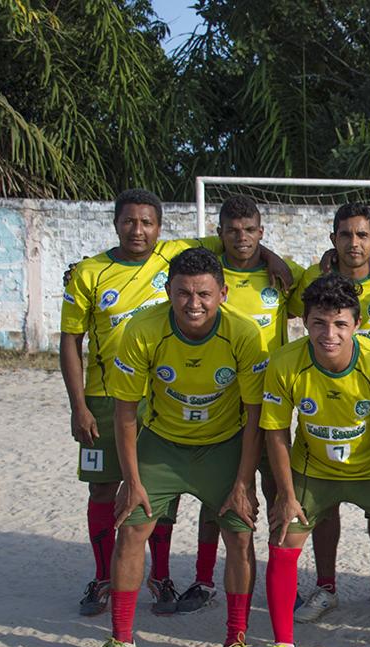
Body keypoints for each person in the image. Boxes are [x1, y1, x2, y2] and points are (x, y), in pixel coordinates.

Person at [89, 248, 266, 647]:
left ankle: (236, 640)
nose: (194, 304)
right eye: (183, 293)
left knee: (240, 537)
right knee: (132, 527)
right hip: (163, 443)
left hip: (222, 446)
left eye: (204, 293)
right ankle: (121, 639)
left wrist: (244, 482)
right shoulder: (142, 329)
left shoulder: (244, 334)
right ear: (168, 291)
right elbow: (126, 411)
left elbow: (256, 415)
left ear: (223, 293)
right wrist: (131, 479)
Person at [255, 273, 370, 647]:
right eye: (318, 323)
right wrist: (286, 495)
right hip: (314, 468)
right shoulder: (285, 362)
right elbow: (276, 431)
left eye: (340, 324)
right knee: (283, 536)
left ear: (357, 323)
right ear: (305, 322)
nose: (328, 334)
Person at [62, 190, 217, 618]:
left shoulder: (176, 257)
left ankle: (160, 575)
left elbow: (240, 243)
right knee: (103, 488)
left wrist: (276, 262)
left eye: (147, 222)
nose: (138, 230)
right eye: (129, 221)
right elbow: (71, 342)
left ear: (159, 228)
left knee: (158, 493)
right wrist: (79, 406)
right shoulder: (90, 273)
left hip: (161, 400)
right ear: (116, 224)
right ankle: (103, 577)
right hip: (106, 400)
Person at [177, 195, 305, 614]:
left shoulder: (282, 276)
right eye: (232, 230)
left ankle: (279, 579)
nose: (241, 237)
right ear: (219, 233)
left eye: (250, 230)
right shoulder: (209, 269)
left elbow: (329, 277)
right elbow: (168, 253)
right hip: (225, 401)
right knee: (219, 493)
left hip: (273, 402)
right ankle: (202, 577)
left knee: (274, 489)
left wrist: (274, 258)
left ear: (261, 231)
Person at [288, 203, 370, 622]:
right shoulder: (315, 278)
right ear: (333, 239)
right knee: (325, 506)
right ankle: (325, 587)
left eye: (362, 235)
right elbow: (283, 292)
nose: (353, 243)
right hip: (321, 399)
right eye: (345, 235)